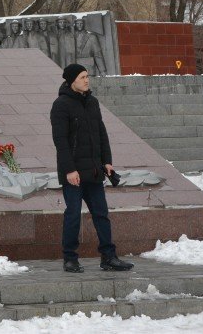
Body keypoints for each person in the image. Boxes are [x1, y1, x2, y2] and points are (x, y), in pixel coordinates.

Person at [50, 63, 133, 274]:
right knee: (73, 215)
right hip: (74, 174)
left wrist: (107, 161)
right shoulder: (61, 105)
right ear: (71, 81)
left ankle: (109, 257)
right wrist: (69, 170)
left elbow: (101, 133)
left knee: (101, 214)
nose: (87, 80)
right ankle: (70, 258)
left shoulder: (93, 102)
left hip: (94, 170)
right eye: (82, 77)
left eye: (87, 76)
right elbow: (60, 141)